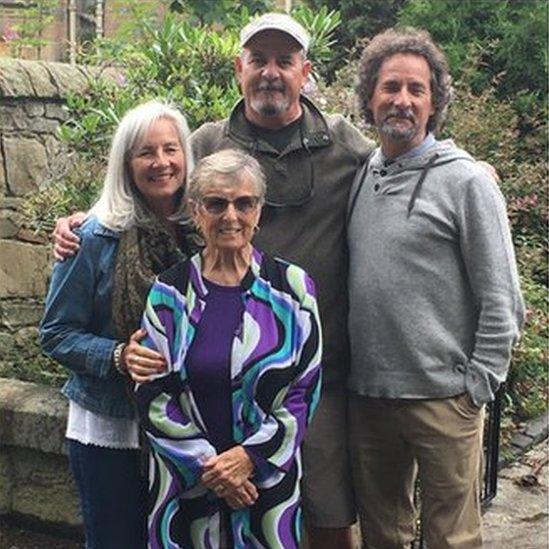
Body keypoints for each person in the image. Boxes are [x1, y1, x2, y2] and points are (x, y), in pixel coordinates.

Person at [51, 13, 374, 548]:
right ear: (238, 68)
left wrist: (468, 170)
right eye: (258, 60)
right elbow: (148, 179)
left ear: (305, 71)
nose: (231, 215)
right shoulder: (204, 150)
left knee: (330, 519)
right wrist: (80, 222)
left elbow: (399, 161)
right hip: (176, 447)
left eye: (284, 61)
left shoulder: (341, 145)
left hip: (306, 395)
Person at [347, 27, 525, 548]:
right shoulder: (363, 173)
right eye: (390, 87)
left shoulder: (467, 182)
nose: (401, 100)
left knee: (453, 538)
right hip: (369, 395)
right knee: (383, 533)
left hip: (445, 400)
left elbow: (503, 298)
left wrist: (477, 387)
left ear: (434, 102)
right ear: (370, 97)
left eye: (415, 90)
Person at [135, 148, 322, 548]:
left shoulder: (293, 291)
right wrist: (213, 469)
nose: (230, 216)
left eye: (244, 203)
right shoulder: (168, 293)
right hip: (185, 488)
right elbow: (152, 394)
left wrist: (247, 460)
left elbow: (304, 392)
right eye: (216, 204)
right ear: (196, 211)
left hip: (265, 484)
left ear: (259, 210)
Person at [39, 100, 196, 549]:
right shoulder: (92, 236)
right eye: (146, 152)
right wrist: (117, 355)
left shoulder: (199, 235)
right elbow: (55, 332)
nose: (162, 162)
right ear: (126, 163)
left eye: (171, 149)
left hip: (184, 425)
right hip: (112, 424)